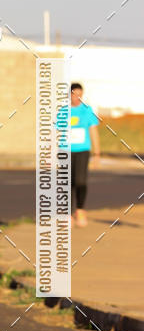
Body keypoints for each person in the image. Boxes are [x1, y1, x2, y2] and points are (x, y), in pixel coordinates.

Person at [70, 82, 100, 227]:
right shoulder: (63, 111)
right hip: (66, 151)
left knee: (80, 181)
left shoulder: (87, 110)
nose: (77, 98)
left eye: (80, 95)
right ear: (69, 95)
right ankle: (67, 214)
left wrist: (97, 153)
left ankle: (80, 210)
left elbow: (93, 131)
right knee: (67, 182)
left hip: (83, 150)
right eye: (74, 94)